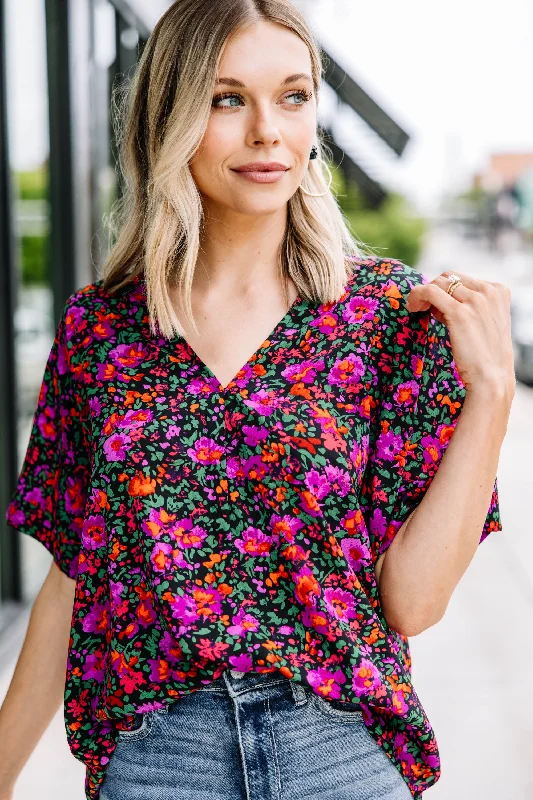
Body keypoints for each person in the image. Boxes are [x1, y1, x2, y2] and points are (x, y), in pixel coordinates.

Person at [0, 1, 515, 799]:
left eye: (293, 95)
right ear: (169, 116)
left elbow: (412, 602)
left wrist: (488, 394)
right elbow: (72, 582)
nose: (267, 130)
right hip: (158, 761)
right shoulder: (100, 332)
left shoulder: (384, 318)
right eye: (227, 97)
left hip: (341, 755)